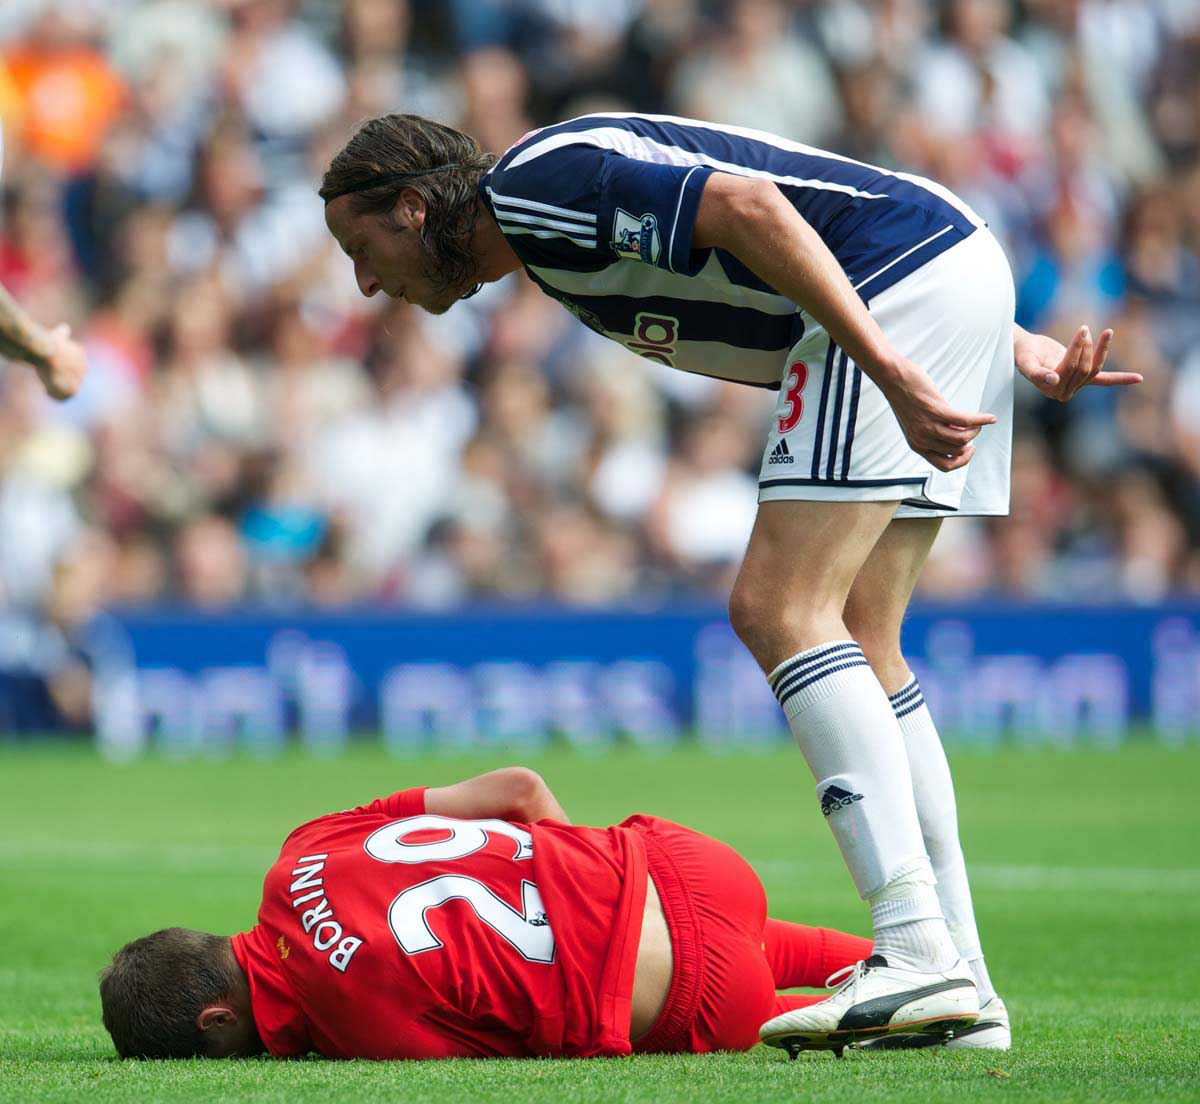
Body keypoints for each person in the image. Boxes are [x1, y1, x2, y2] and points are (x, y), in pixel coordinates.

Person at [318, 112, 1143, 1053]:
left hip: (897, 297)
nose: (368, 280)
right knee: (863, 636)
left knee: (778, 608)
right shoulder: (540, 234)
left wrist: (890, 364)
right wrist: (1005, 336)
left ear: (416, 207)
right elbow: (824, 211)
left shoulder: (534, 185)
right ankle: (966, 988)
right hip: (936, 276)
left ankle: (916, 949)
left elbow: (751, 205)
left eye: (362, 247)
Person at [100, 766, 892, 1060]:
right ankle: (947, 965)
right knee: (781, 940)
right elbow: (519, 788)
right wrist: (589, 878)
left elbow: (525, 1029)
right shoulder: (302, 847)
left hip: (699, 995)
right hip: (693, 865)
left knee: (779, 992)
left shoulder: (353, 1034)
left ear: (215, 1020)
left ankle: (934, 1004)